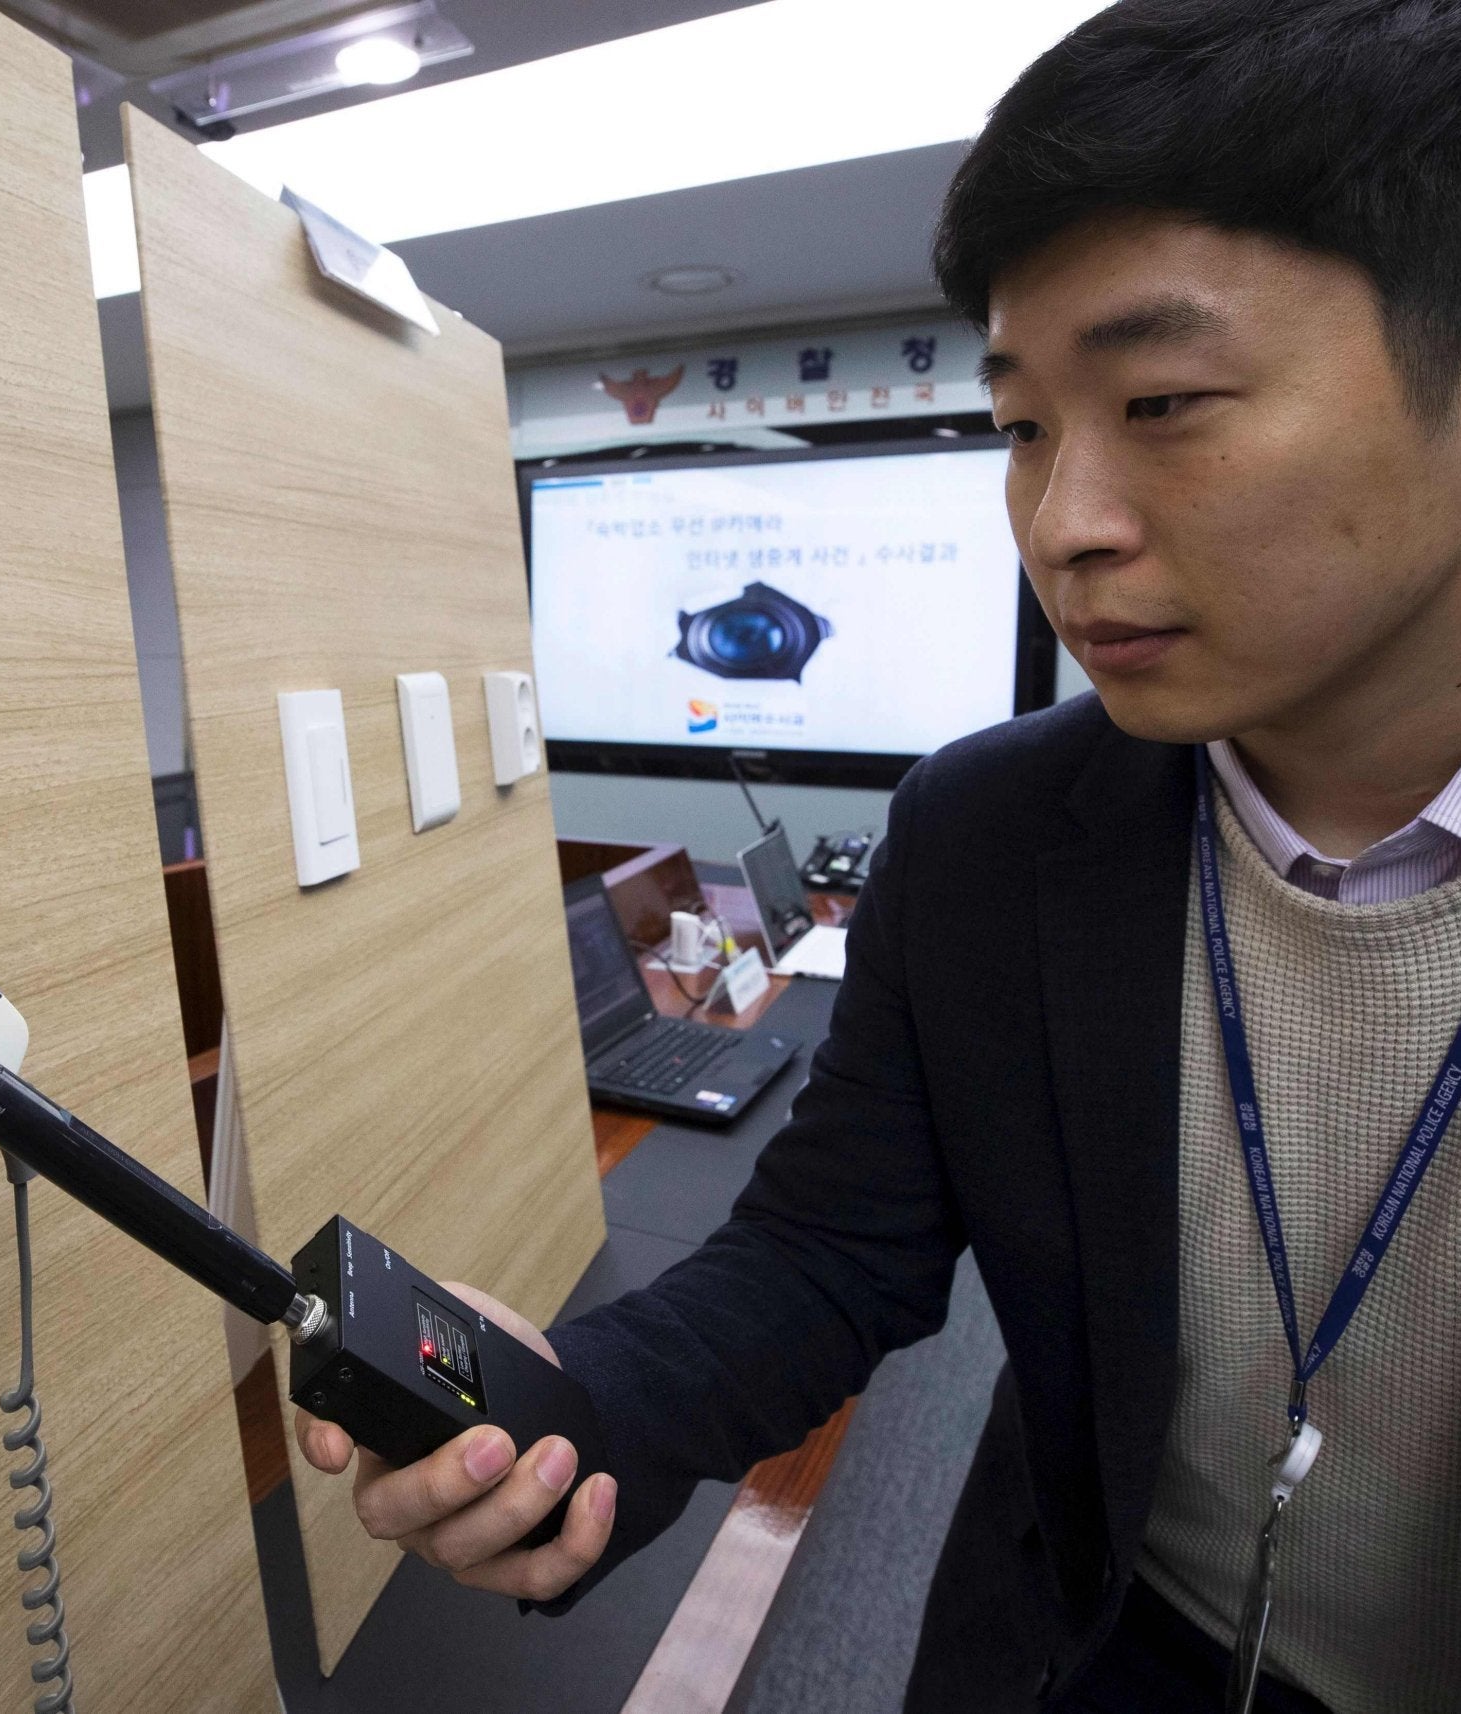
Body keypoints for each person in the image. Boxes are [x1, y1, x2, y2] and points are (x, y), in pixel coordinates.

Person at [293, 2, 1461, 1708]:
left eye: (1161, 400)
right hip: (1086, 1644)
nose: (1062, 522)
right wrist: (578, 1400)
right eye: (1019, 428)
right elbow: (829, 1254)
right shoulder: (987, 829)